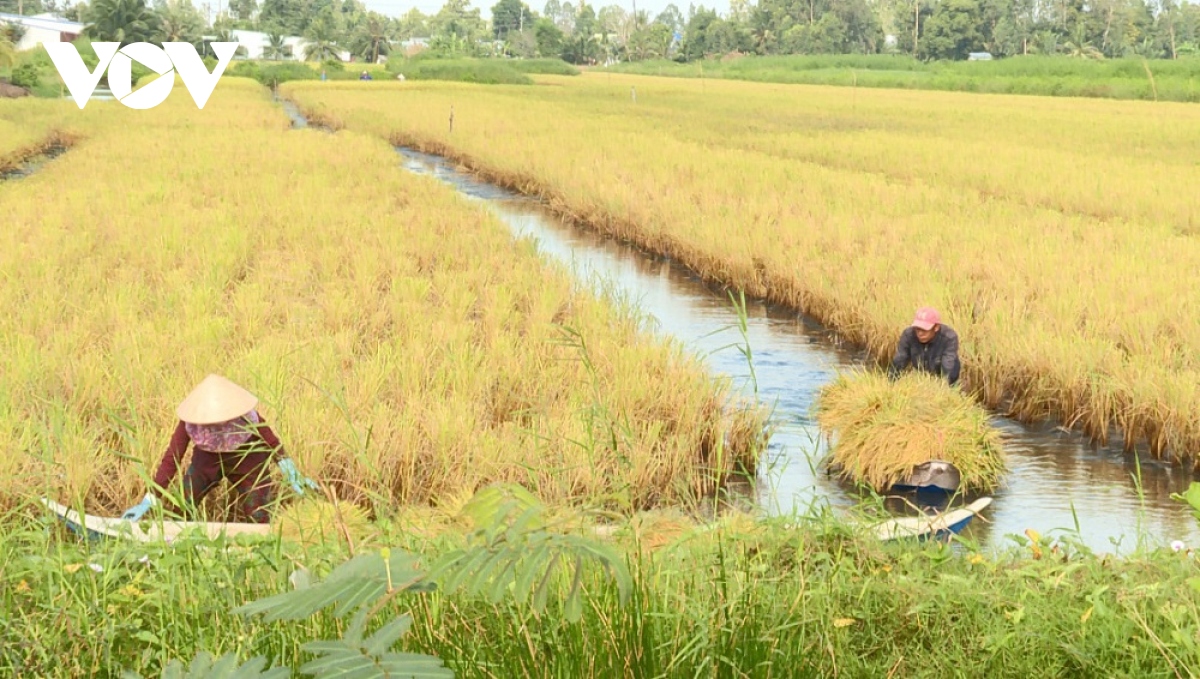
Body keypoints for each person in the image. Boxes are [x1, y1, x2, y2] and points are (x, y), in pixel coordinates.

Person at [121, 374, 318, 524]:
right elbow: (172, 458)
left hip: (249, 461)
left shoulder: (246, 415)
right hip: (207, 461)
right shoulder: (191, 422)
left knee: (258, 514)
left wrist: (292, 473)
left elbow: (273, 444)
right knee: (182, 507)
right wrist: (150, 499)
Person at [888, 307, 961, 386]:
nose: (920, 333)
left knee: (951, 369)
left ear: (936, 327)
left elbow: (948, 365)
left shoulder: (949, 337)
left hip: (941, 367)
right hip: (921, 369)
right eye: (917, 329)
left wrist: (944, 387)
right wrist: (891, 383)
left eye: (924, 330)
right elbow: (900, 359)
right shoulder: (908, 335)